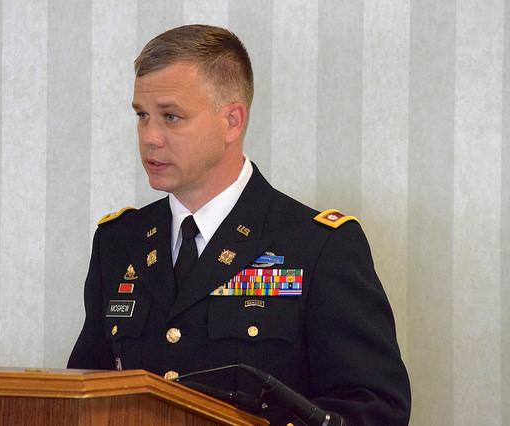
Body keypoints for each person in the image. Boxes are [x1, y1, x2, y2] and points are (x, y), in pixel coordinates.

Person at [68, 24, 411, 425]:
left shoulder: (316, 246)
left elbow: (375, 410)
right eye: (142, 116)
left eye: (171, 117)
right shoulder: (118, 242)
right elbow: (84, 393)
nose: (150, 137)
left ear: (232, 120)